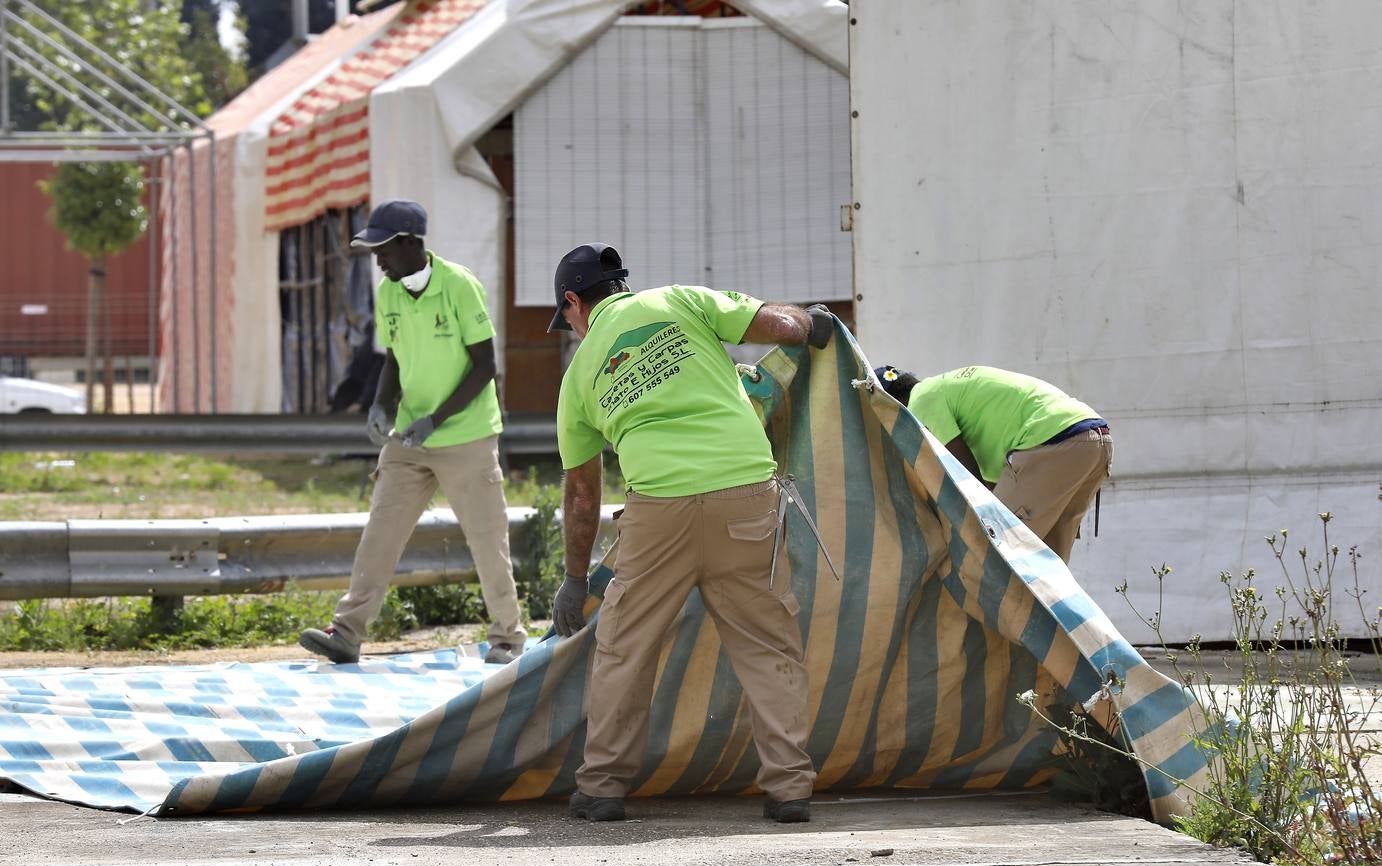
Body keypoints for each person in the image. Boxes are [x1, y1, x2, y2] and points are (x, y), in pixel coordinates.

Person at [548, 242, 832, 824]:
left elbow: (582, 496)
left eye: (567, 317)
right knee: (767, 643)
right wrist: (814, 320)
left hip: (658, 513)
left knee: (625, 649)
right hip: (746, 499)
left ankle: (602, 787)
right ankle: (789, 789)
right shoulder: (682, 300)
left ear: (574, 302)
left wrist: (575, 580)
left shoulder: (578, 377)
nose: (571, 328)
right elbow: (782, 327)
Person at [299, 200, 526, 666]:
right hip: (409, 440)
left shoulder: (460, 286)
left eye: (382, 249)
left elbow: (485, 367)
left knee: (488, 538)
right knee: (381, 532)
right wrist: (381, 406)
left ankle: (507, 638)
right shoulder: (390, 292)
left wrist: (436, 420)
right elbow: (394, 360)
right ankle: (346, 632)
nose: (377, 260)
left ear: (409, 243)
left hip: (466, 436)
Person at [875, 364, 1112, 563]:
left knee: (995, 557)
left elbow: (967, 483)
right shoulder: (946, 390)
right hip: (1094, 441)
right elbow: (991, 488)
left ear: (889, 405)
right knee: (1046, 569)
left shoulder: (920, 401)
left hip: (1053, 441)